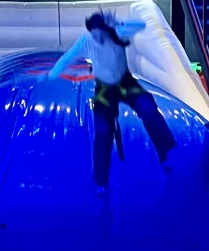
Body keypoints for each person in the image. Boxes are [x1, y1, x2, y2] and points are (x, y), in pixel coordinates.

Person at [48, 11, 175, 190]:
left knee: (147, 107)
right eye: (95, 36)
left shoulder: (117, 33)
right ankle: (101, 181)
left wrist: (118, 23)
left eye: (101, 34)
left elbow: (141, 25)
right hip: (105, 89)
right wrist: (52, 74)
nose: (98, 39)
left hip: (125, 82)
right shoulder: (86, 41)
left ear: (106, 30)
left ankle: (166, 152)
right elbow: (67, 58)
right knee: (103, 130)